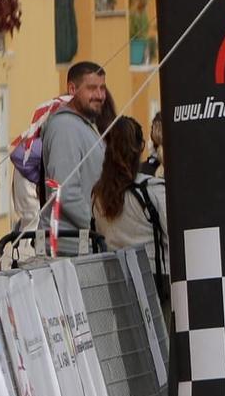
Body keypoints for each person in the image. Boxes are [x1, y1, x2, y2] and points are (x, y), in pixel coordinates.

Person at [92, 118, 167, 286]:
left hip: (118, 283)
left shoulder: (98, 195)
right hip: (156, 283)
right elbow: (176, 242)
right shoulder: (153, 190)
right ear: (140, 147)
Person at [40, 61, 109, 233]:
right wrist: (100, 227)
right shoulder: (65, 127)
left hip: (82, 244)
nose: (100, 95)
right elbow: (65, 191)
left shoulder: (81, 124)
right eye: (92, 88)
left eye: (102, 88)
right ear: (72, 89)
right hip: (69, 248)